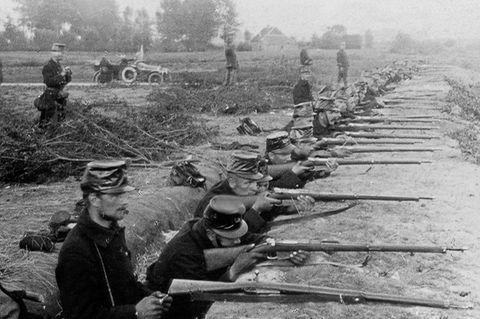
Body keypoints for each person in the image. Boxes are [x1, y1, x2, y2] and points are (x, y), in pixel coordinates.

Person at [146, 195, 309, 319]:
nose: (238, 240)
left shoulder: (210, 227)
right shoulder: (183, 254)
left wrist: (280, 247)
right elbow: (199, 304)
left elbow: (251, 239)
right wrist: (233, 272)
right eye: (232, 238)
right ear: (210, 234)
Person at [56, 160, 172, 319]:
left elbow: (126, 286)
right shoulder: (76, 251)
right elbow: (81, 315)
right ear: (94, 199)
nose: (124, 201)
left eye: (124, 193)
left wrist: (152, 297)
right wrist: (135, 312)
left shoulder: (112, 233)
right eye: (116, 195)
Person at [193, 151, 314, 233]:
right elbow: (234, 237)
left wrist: (297, 207)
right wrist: (256, 209)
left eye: (256, 182)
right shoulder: (213, 203)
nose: (255, 188)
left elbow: (271, 207)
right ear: (232, 181)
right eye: (248, 182)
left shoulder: (241, 191)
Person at [265, 131, 338, 189]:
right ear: (271, 155)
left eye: (291, 153)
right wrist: (293, 173)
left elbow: (305, 177)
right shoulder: (261, 169)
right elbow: (274, 186)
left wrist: (324, 172)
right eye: (285, 154)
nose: (290, 157)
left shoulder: (285, 164)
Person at [40, 43, 72, 127]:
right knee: (50, 120)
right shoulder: (48, 67)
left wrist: (68, 75)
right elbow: (49, 82)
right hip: (51, 98)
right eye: (59, 52)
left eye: (62, 52)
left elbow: (65, 81)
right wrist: (61, 75)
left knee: (61, 119)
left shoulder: (60, 66)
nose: (62, 54)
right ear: (53, 53)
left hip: (60, 96)